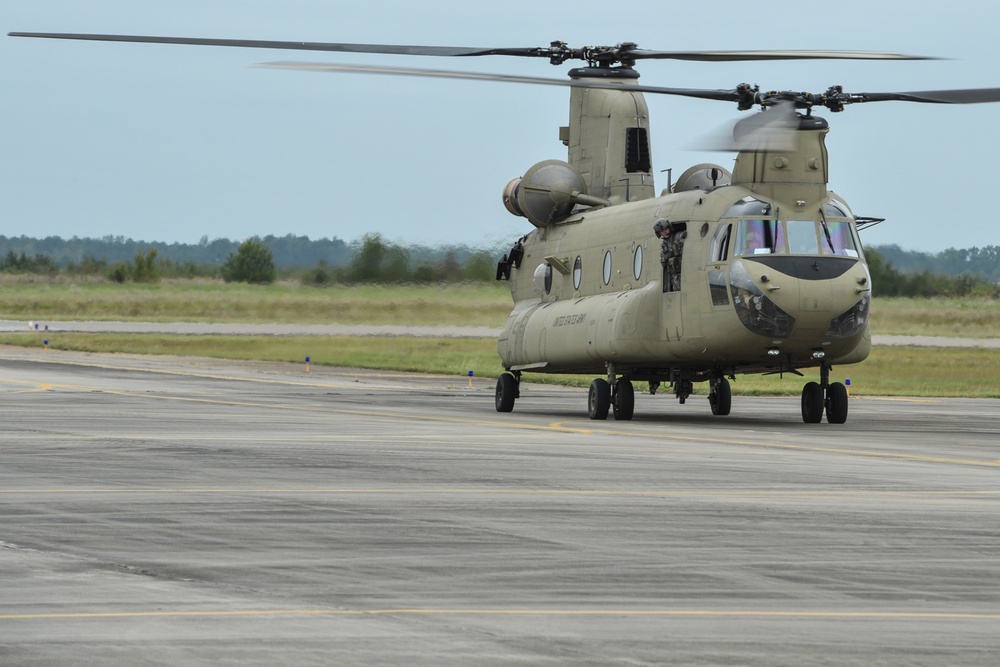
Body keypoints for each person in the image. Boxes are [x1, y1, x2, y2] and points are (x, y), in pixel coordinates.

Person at [653, 218, 685, 291]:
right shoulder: (664, 245)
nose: (665, 232)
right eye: (662, 231)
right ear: (659, 233)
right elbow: (663, 261)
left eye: (666, 229)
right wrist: (668, 256)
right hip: (675, 277)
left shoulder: (678, 237)